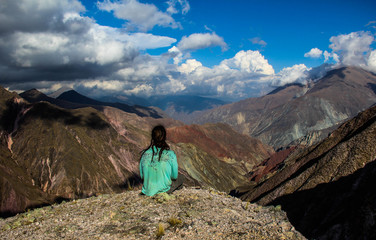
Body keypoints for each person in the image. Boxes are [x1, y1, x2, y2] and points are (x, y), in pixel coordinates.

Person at [139, 125, 182, 196]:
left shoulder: (144, 154)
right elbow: (174, 176)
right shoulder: (170, 154)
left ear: (152, 137)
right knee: (181, 178)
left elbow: (142, 176)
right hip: (164, 190)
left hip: (147, 191)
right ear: (164, 137)